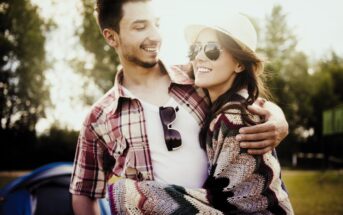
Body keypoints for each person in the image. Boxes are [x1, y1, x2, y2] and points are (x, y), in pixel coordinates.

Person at [69, 1, 290, 214]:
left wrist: (278, 119)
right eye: (140, 26)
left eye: (156, 23)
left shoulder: (196, 80)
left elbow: (241, 96)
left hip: (219, 207)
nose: (155, 35)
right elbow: (83, 193)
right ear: (111, 36)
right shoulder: (98, 118)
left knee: (126, 192)